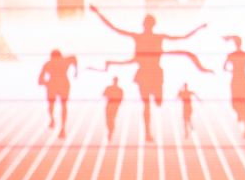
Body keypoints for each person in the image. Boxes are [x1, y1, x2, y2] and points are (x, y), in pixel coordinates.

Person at [90, 7, 210, 142]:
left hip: (155, 74)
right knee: (147, 104)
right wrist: (97, 13)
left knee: (157, 102)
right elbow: (115, 28)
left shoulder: (157, 37)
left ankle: (149, 127)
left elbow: (183, 37)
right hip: (144, 75)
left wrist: (199, 28)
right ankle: (147, 132)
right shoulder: (140, 37)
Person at [37, 48, 77, 138]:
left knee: (54, 105)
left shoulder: (48, 64)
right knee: (62, 106)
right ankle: (61, 126)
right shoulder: (64, 61)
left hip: (53, 85)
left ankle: (54, 121)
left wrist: (46, 83)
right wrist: (76, 71)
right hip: (62, 84)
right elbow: (74, 58)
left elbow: (40, 80)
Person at [102, 76, 124, 141]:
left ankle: (111, 131)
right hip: (110, 105)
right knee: (109, 119)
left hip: (114, 106)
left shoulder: (119, 90)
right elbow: (103, 94)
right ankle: (110, 130)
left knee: (111, 119)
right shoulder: (110, 88)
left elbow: (121, 99)